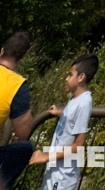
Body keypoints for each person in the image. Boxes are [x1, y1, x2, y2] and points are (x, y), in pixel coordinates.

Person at [28, 54, 98, 190]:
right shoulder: (74, 99)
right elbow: (73, 119)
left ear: (81, 77)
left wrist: (46, 156)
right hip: (56, 170)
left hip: (63, 176)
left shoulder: (84, 103)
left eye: (70, 75)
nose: (66, 79)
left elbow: (78, 144)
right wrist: (61, 113)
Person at [0, 31, 34, 190]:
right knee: (25, 148)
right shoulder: (16, 85)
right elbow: (23, 132)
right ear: (23, 57)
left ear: (1, 51)